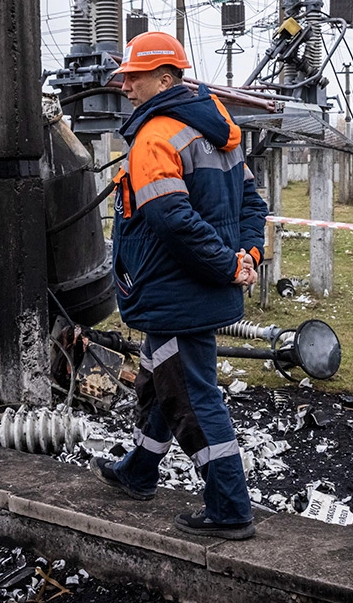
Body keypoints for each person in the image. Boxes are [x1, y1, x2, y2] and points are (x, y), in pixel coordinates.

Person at [90, 31, 268, 540]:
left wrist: (227, 265)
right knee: (157, 380)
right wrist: (246, 257)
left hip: (175, 291)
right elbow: (252, 205)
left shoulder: (155, 138)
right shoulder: (217, 131)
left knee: (190, 397)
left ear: (165, 78)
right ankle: (140, 471)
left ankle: (230, 508)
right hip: (193, 288)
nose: (125, 85)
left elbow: (172, 219)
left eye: (135, 77)